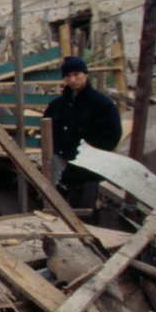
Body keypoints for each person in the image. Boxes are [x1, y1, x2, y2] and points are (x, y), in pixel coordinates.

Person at [42, 56, 122, 210]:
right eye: (68, 76)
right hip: (60, 172)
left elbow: (111, 137)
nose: (72, 80)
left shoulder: (102, 104)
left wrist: (85, 154)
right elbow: (46, 134)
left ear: (86, 74)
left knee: (84, 216)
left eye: (76, 74)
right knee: (54, 214)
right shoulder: (56, 105)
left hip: (86, 173)